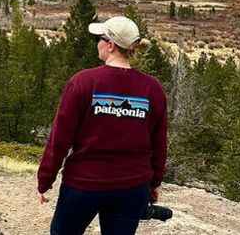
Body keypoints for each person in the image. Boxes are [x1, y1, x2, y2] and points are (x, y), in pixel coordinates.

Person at [37, 15, 168, 235]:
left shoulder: (83, 82)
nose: (97, 42)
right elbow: (159, 143)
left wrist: (45, 180)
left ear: (110, 45)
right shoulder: (152, 88)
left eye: (100, 38)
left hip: (83, 184)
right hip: (131, 187)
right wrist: (153, 184)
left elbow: (60, 139)